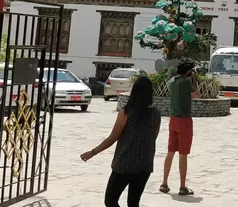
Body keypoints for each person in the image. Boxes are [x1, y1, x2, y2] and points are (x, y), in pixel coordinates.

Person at [80, 76, 161, 207]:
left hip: (124, 163)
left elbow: (113, 138)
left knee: (111, 201)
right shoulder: (156, 114)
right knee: (134, 203)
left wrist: (93, 152)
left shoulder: (126, 112)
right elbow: (153, 137)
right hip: (144, 164)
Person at [160, 59, 199, 196]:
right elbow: (196, 95)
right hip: (184, 120)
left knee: (170, 152)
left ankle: (164, 183)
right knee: (183, 154)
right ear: (188, 71)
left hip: (173, 119)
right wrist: (194, 79)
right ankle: (182, 186)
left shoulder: (172, 81)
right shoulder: (186, 82)